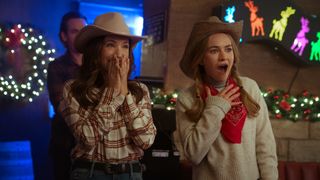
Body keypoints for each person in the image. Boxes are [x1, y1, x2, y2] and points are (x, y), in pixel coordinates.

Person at [174, 16, 278, 180]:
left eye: (228, 49)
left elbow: (265, 145)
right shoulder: (187, 98)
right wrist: (215, 108)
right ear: (201, 59)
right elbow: (193, 154)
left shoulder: (250, 87)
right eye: (214, 51)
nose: (223, 57)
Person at [58, 12, 157, 179]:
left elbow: (145, 140)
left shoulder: (140, 90)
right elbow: (88, 139)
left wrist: (124, 92)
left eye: (125, 46)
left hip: (130, 173)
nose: (119, 54)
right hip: (89, 172)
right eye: (111, 45)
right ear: (96, 52)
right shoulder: (73, 89)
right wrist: (112, 93)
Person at [47, 11, 87, 180]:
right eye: (74, 31)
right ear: (64, 36)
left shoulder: (97, 66)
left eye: (83, 31)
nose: (80, 36)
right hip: (65, 145)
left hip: (94, 150)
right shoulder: (57, 67)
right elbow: (62, 105)